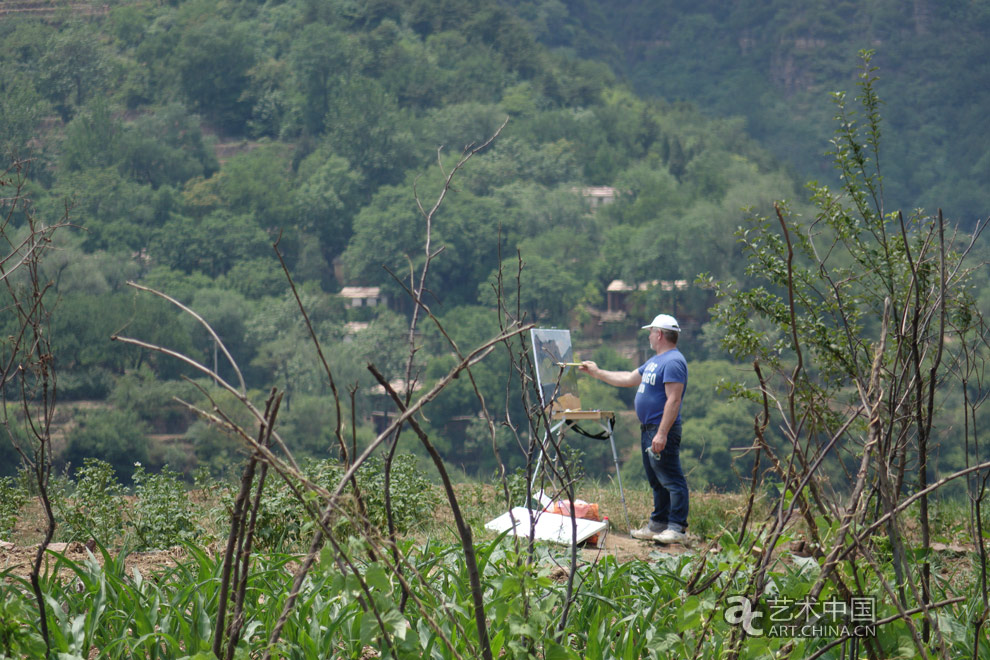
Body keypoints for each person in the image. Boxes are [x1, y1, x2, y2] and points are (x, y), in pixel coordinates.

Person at [578, 313, 689, 544]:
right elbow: (628, 378)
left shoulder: (673, 362)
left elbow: (674, 400)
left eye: (651, 332)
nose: (649, 335)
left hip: (659, 429)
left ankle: (677, 527)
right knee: (656, 479)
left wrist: (662, 433)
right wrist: (597, 372)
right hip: (648, 429)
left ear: (659, 334)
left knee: (671, 478)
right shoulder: (654, 361)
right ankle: (658, 524)